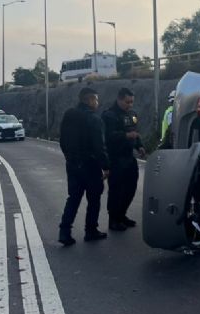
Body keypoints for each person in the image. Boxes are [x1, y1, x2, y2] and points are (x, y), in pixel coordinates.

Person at [58, 87, 110, 246]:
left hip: (73, 164)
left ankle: (64, 232)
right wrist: (106, 166)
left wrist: (69, 157)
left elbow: (62, 140)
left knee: (73, 198)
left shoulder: (69, 115)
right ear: (89, 100)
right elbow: (99, 146)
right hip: (90, 165)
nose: (97, 102)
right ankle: (91, 230)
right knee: (94, 199)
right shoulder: (94, 119)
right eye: (95, 99)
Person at [102, 88, 145, 231]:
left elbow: (135, 131)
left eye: (132, 102)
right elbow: (108, 136)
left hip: (129, 157)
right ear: (119, 99)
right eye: (127, 102)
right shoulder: (109, 115)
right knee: (116, 190)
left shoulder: (132, 114)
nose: (130, 105)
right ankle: (113, 219)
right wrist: (125, 136)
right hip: (115, 158)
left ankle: (122, 215)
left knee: (131, 188)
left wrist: (139, 146)